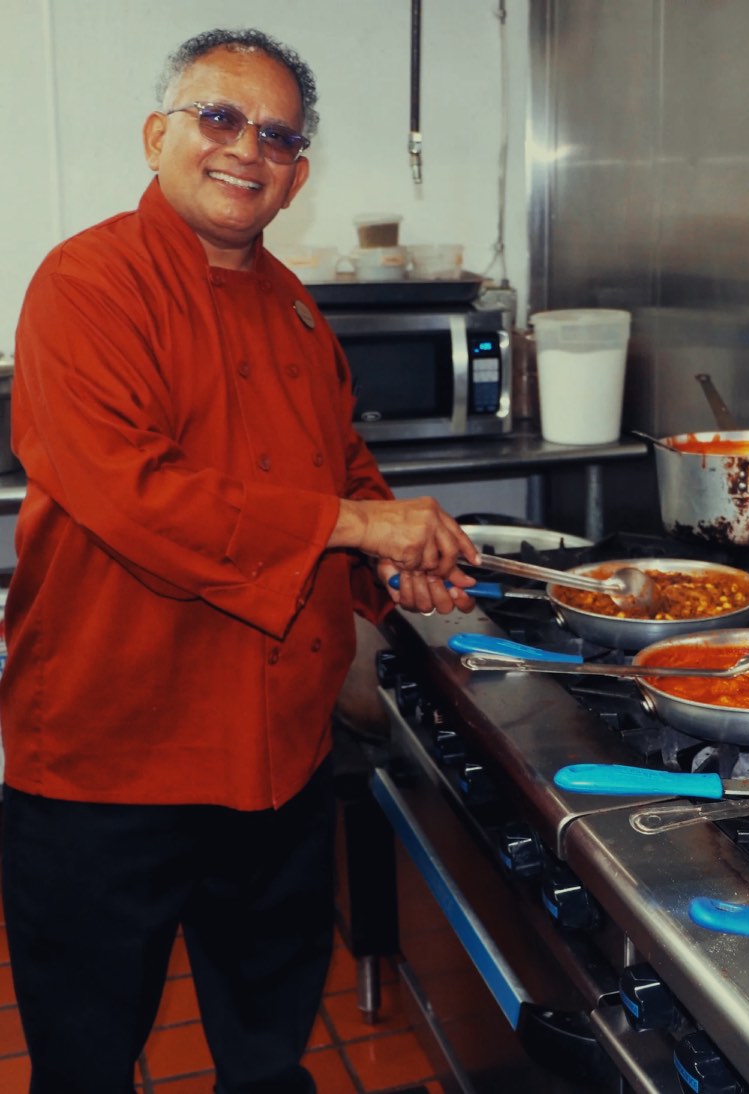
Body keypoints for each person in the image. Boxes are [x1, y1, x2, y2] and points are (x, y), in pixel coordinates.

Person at [0, 26, 479, 1094]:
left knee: (267, 1054)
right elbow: (139, 496)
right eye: (219, 116)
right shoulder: (86, 286)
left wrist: (404, 553)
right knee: (86, 1062)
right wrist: (360, 531)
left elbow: (340, 464)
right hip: (109, 756)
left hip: (276, 759)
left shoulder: (300, 312)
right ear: (158, 133)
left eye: (276, 134)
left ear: (296, 174)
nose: (245, 147)